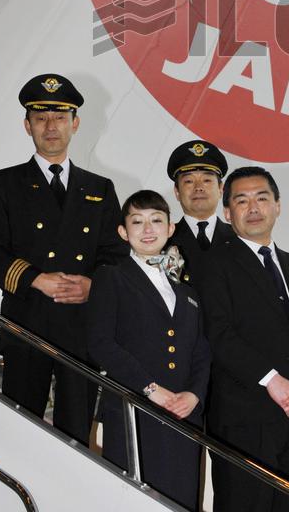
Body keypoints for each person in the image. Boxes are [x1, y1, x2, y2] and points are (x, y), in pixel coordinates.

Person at [0, 73, 127, 445]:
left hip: (81, 326)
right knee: (20, 427)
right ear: (26, 125)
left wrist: (93, 286)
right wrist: (35, 279)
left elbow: (114, 253)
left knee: (77, 431)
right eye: (41, 117)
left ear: (75, 123)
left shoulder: (100, 188)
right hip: (27, 320)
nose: (51, 126)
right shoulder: (3, 183)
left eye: (60, 117)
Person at [196, 165, 289, 512]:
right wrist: (271, 379)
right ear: (227, 213)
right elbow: (218, 332)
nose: (254, 208)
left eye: (262, 198)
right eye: (242, 201)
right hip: (245, 419)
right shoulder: (213, 264)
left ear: (278, 205)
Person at [87, 190, 211, 511]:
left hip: (184, 415)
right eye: (137, 222)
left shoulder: (187, 290)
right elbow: (100, 343)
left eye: (156, 220)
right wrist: (151, 389)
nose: (147, 229)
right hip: (134, 408)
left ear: (171, 229)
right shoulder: (111, 276)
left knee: (180, 501)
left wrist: (194, 395)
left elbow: (201, 350)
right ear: (123, 232)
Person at [165, 139, 234, 281]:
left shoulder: (241, 238)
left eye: (207, 180)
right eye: (189, 181)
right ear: (177, 192)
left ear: (221, 189)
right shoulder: (163, 240)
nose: (198, 187)